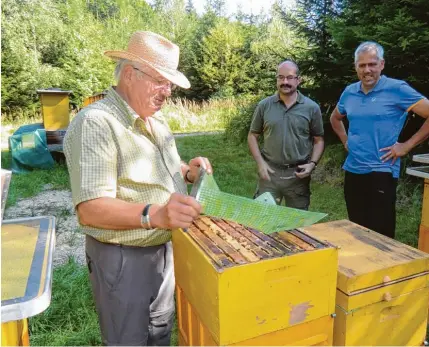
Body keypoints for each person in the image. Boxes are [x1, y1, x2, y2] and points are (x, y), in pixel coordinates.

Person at [63, 31, 213, 346]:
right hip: (122, 258)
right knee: (127, 339)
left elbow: (168, 166)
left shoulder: (156, 122)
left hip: (163, 250)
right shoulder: (96, 123)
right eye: (161, 81)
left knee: (160, 332)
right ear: (131, 74)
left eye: (170, 84)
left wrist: (189, 172)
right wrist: (157, 214)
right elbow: (90, 208)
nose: (167, 92)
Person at [330, 41, 429, 239]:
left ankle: (384, 270)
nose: (367, 70)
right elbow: (335, 118)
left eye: (372, 64)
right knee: (357, 230)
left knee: (380, 235)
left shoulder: (397, 89)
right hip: (353, 169)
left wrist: (406, 146)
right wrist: (345, 140)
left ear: (382, 64)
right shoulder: (350, 92)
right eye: (362, 65)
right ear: (356, 67)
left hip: (382, 170)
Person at [247, 60, 325, 210]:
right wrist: (260, 162)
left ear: (299, 80)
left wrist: (312, 164)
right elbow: (252, 135)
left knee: (297, 225)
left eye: (289, 77)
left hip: (297, 175)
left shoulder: (311, 108)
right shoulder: (264, 106)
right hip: (269, 174)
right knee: (262, 220)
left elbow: (319, 140)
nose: (285, 81)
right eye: (280, 77)